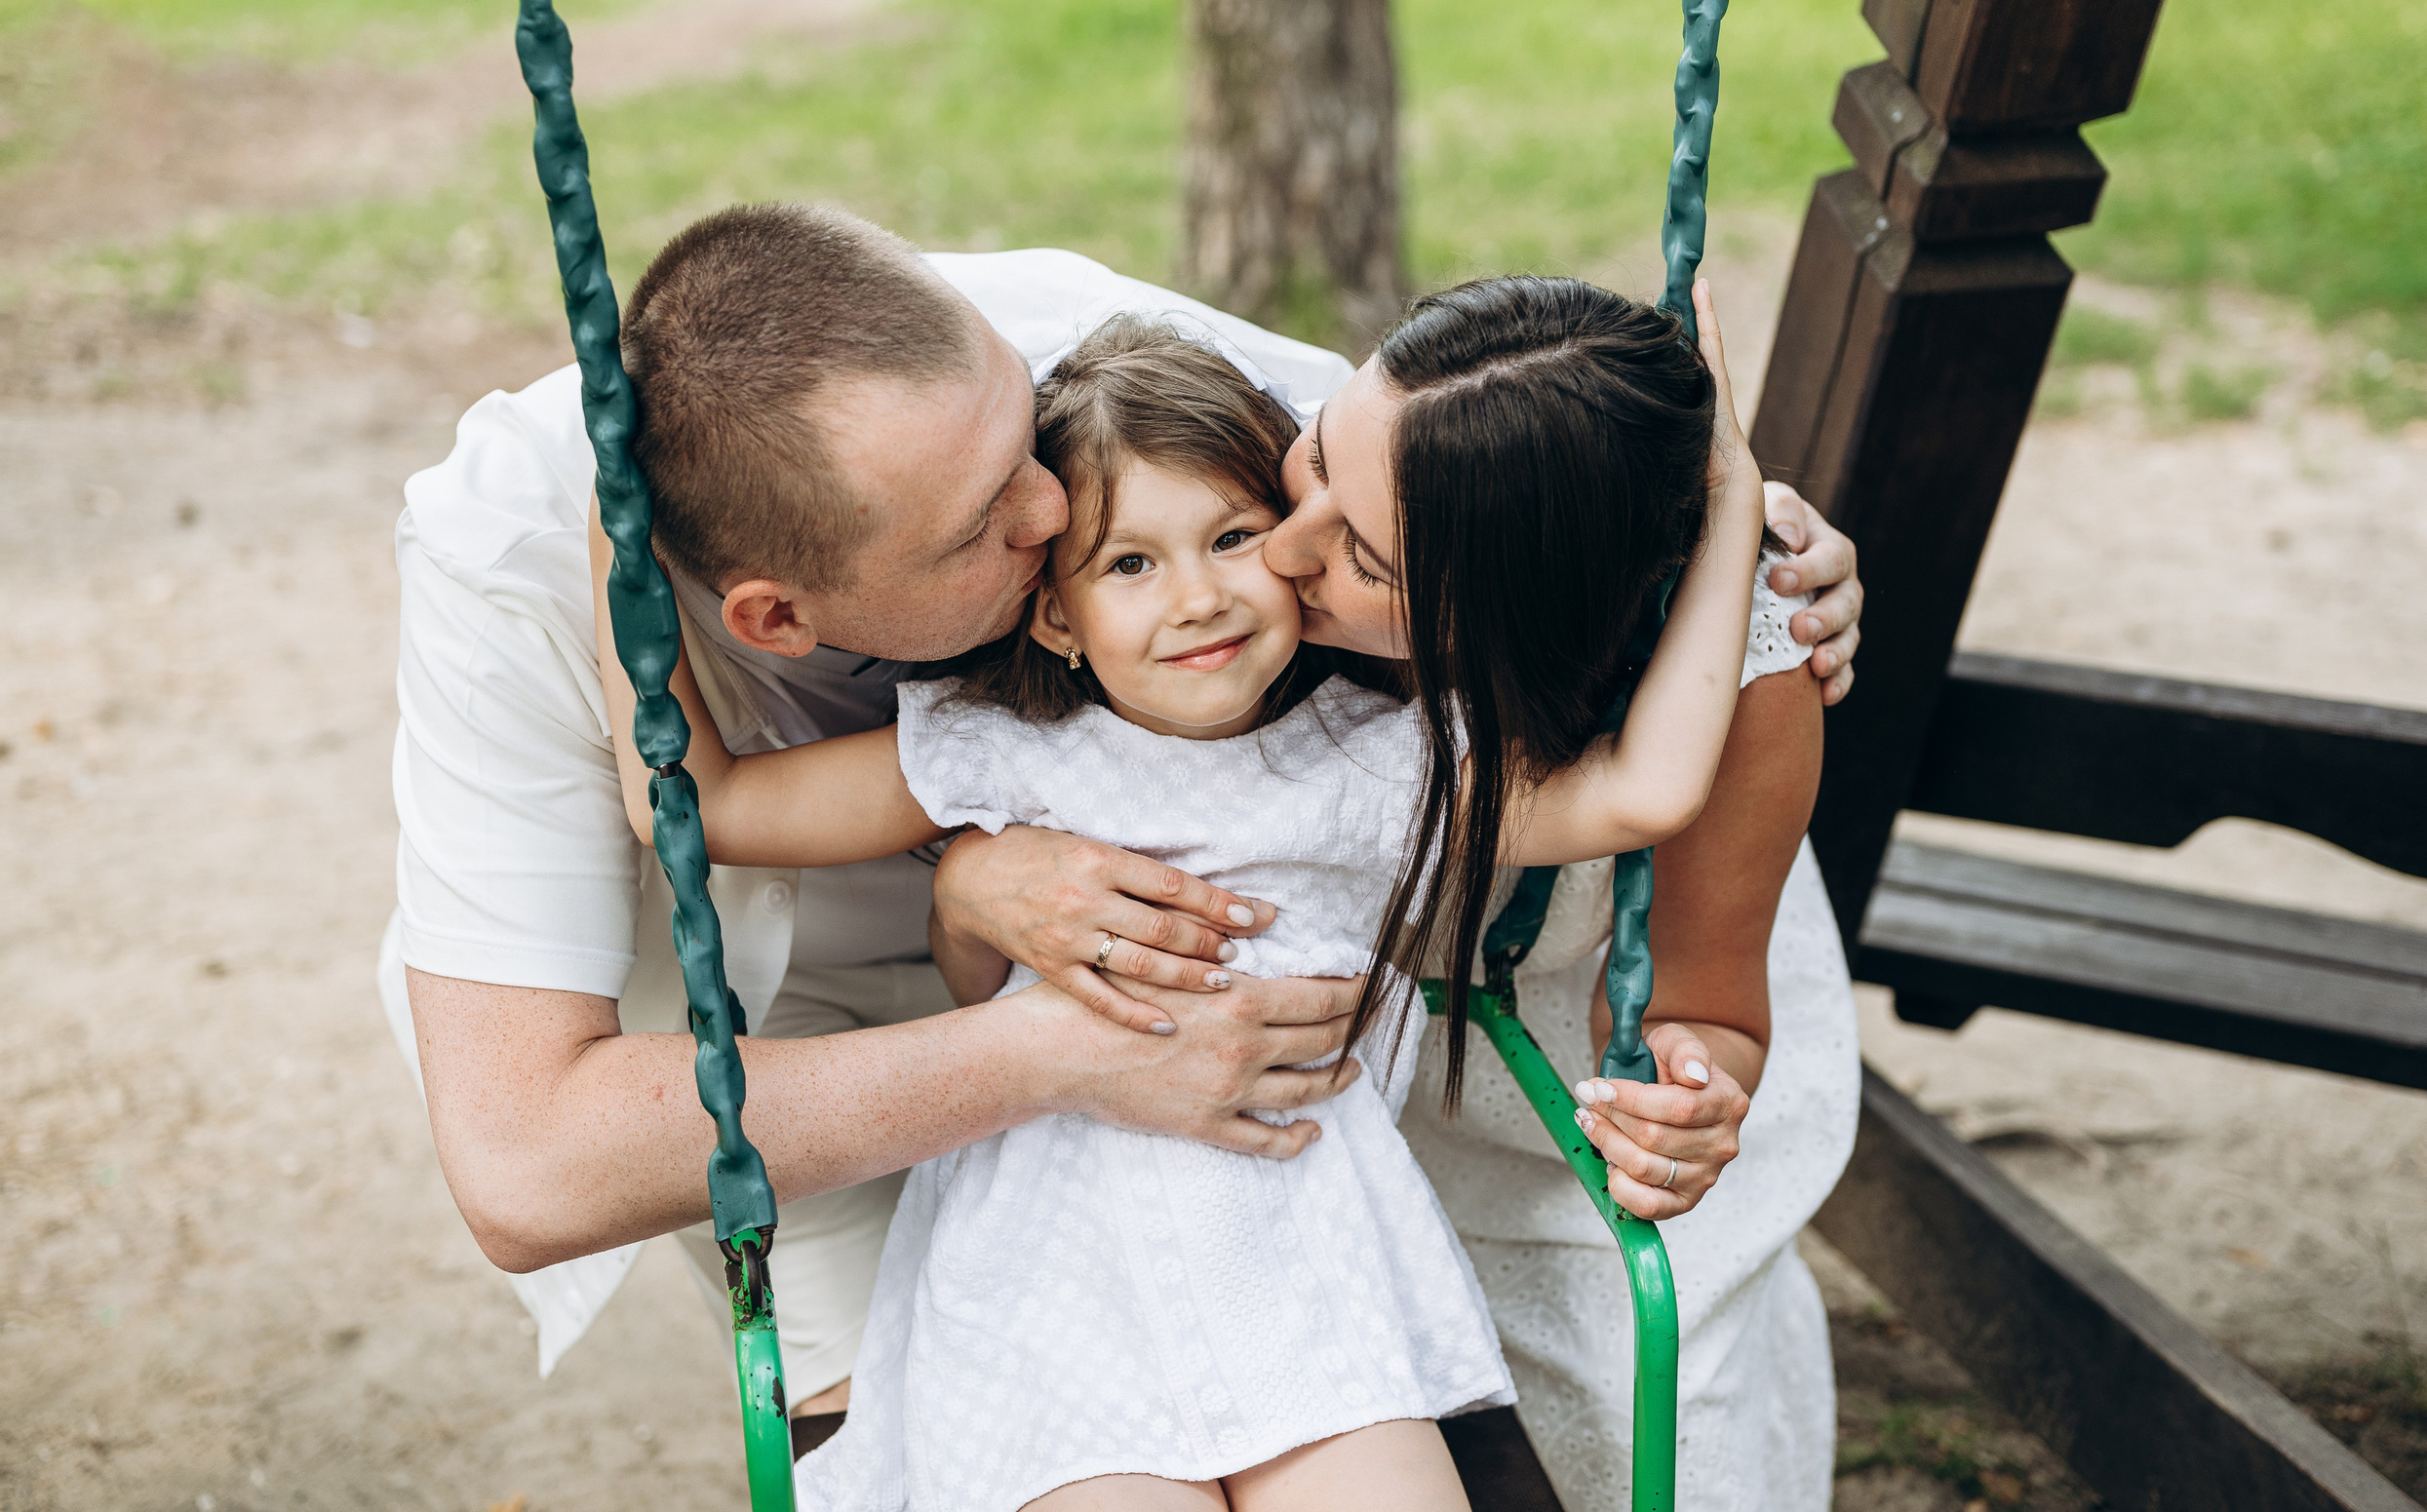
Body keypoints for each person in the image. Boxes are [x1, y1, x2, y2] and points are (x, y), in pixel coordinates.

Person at [379, 202, 1864, 1439]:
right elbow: (539, 1142)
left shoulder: (1097, 378)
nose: (1063, 518)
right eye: (1000, 530)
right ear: (779, 615)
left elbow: (1511, 499)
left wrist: (1737, 536)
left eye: (1028, 443)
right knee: (977, 1432)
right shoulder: (521, 573)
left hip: (1283, 1154)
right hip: (824, 1054)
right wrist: (1047, 1029)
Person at [588, 314, 1764, 1508]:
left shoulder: (1382, 758)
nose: (1198, 597)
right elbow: (707, 803)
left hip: (1303, 1264)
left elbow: (1648, 788)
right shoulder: (995, 750)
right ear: (1053, 616)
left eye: (1234, 535)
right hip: (1049, 1284)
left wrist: (1735, 513)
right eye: (1130, 564)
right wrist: (611, 525)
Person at [1258, 276, 1859, 1511]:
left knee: (1660, 1434)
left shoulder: (1741, 681)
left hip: (1549, 1103)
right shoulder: (1229, 518)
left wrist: (1688, 1092)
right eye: (1313, 454)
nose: (1283, 548)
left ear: (1514, 617)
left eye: (1362, 560)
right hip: (1325, 1089)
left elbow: (1707, 1002)